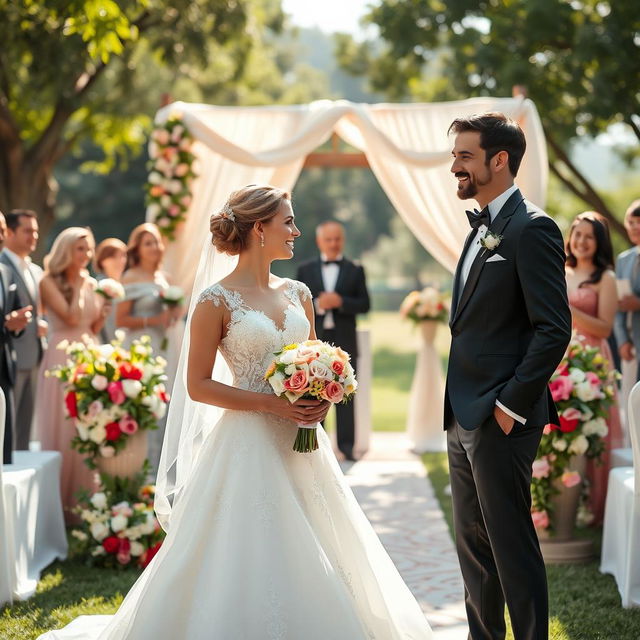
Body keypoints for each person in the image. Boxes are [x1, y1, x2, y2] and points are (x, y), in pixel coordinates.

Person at [37, 184, 434, 640]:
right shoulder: (214, 300)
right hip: (246, 441)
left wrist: (321, 398)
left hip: (304, 444)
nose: (296, 231)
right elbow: (198, 385)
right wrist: (271, 403)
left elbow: (311, 359)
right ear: (259, 228)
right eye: (288, 222)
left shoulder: (299, 293)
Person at [444, 113, 571, 640]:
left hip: (502, 417)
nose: (455, 166)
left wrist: (508, 405)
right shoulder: (479, 227)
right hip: (461, 415)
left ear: (500, 160)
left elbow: (553, 329)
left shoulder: (533, 228)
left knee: (510, 547)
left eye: (465, 156)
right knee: (474, 551)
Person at [34, 227, 110, 519]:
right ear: (67, 250)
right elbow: (70, 317)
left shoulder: (90, 282)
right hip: (62, 356)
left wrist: (102, 313)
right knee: (65, 429)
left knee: (90, 426)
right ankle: (61, 510)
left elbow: (89, 326)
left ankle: (87, 505)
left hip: (89, 353)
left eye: (89, 249)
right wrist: (79, 284)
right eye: (81, 249)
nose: (87, 255)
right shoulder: (49, 282)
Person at [565, 212, 624, 523]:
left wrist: (570, 309)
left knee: (595, 432)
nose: (581, 242)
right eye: (577, 234)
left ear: (599, 242)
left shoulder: (606, 279)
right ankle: (561, 501)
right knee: (564, 428)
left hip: (593, 361)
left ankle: (596, 509)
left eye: (589, 236)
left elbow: (604, 328)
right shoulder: (559, 271)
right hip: (560, 359)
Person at [296, 221, 370, 460]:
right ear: (319, 241)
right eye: (328, 239)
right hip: (315, 342)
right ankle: (318, 447)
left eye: (337, 239)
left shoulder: (355, 269)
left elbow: (365, 304)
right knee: (314, 393)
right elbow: (297, 304)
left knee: (346, 393)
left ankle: (347, 447)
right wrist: (318, 304)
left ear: (343, 240)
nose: (333, 244)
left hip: (345, 341)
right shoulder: (305, 270)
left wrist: (341, 302)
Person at [115, 223, 182, 473]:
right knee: (144, 404)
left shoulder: (166, 278)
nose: (154, 247)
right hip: (141, 348)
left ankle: (163, 471)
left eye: (156, 241)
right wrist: (153, 320)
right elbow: (120, 320)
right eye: (148, 243)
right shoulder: (130, 276)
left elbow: (176, 313)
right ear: (138, 249)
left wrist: (174, 311)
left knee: (167, 403)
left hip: (167, 348)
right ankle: (141, 469)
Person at [0, 209, 47, 451]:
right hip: (9, 356)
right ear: (9, 233)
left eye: (36, 231)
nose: (34, 236)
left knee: (25, 431)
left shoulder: (34, 269)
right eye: (27, 231)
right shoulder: (2, 265)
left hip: (33, 355)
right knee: (8, 428)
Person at [0, 211, 33, 464]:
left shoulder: (6, 272)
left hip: (5, 367)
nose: (1, 237)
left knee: (6, 448)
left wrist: (18, 324)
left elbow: (19, 314)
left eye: (3, 231)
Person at [614, 199, 640, 379]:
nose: (635, 227)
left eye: (639, 222)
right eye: (631, 222)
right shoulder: (623, 259)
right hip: (630, 345)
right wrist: (622, 340)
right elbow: (618, 305)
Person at [93, 237, 127, 342]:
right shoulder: (99, 286)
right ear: (102, 260)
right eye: (113, 256)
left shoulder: (126, 284)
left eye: (123, 255)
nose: (120, 261)